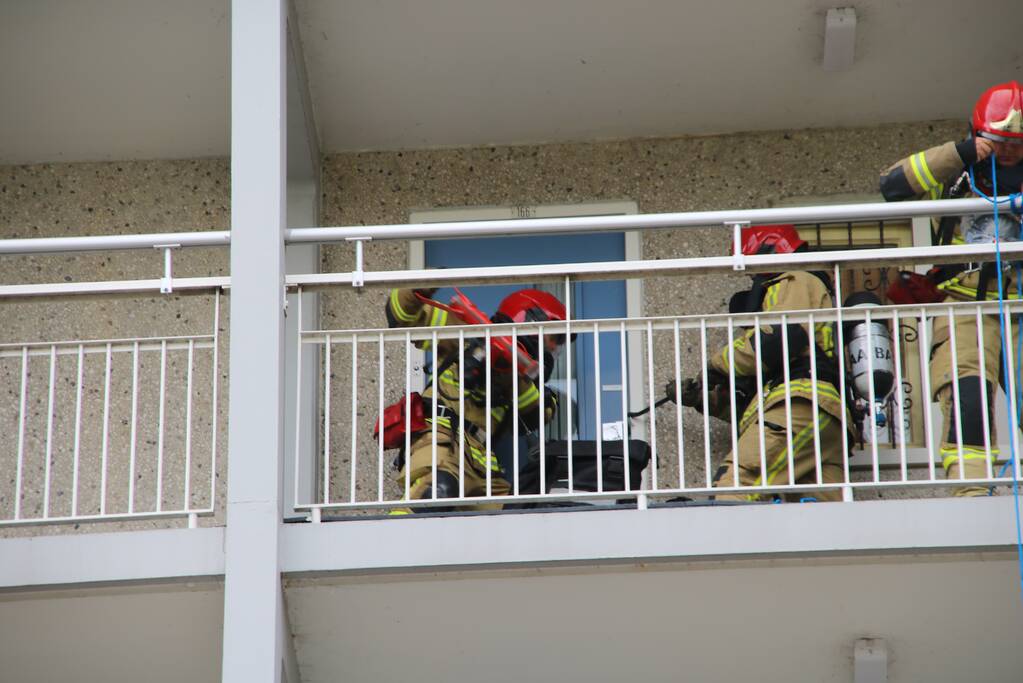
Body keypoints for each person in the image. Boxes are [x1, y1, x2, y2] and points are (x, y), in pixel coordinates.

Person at [880, 80, 1023, 496]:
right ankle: (971, 488)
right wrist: (960, 154)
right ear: (978, 132)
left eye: (1017, 142)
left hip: (1020, 303)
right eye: (999, 140)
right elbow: (892, 186)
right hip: (964, 303)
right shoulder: (959, 173)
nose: (1009, 150)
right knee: (968, 395)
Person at [670, 225, 855, 502]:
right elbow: (754, 399)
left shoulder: (798, 279)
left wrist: (714, 365)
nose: (753, 278)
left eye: (752, 269)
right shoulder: (777, 368)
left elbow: (779, 338)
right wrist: (703, 398)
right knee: (817, 518)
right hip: (817, 418)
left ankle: (726, 544)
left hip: (801, 405)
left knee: (735, 482)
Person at [384, 287, 565, 512]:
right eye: (554, 338)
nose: (555, 348)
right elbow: (402, 315)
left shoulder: (523, 380)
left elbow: (538, 412)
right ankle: (391, 542)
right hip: (442, 444)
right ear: (529, 320)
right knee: (436, 493)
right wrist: (420, 285)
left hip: (483, 467)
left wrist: (509, 374)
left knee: (517, 516)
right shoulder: (464, 332)